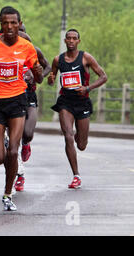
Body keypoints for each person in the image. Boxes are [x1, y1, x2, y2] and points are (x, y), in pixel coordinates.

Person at [0, 6, 43, 211]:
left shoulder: (26, 46)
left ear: (19, 23)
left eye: (13, 23)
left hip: (18, 100)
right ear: (0, 23)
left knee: (13, 151)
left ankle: (8, 193)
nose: (9, 26)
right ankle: (7, 155)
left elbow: (38, 76)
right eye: (5, 22)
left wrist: (39, 73)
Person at [48, 29, 107, 189]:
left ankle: (76, 142)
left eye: (75, 38)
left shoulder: (86, 58)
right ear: (65, 41)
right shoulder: (58, 60)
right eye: (69, 38)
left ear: (78, 41)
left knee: (81, 145)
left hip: (82, 102)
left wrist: (87, 88)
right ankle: (76, 175)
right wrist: (51, 79)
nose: (72, 41)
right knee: (68, 136)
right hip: (65, 102)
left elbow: (103, 76)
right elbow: (51, 80)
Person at [14, 24, 51, 192]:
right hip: (11, 97)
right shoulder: (5, 50)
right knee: (12, 143)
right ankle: (19, 176)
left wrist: (37, 76)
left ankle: (26, 143)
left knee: (27, 133)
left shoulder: (33, 49)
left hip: (29, 95)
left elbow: (47, 66)